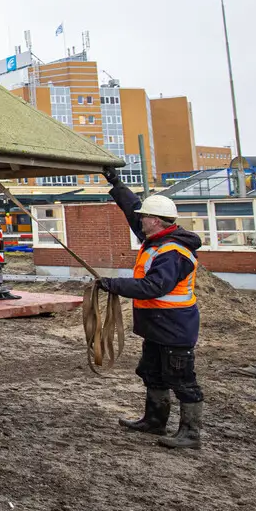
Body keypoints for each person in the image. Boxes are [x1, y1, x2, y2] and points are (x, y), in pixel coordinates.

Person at [95, 168, 206, 450]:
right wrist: (116, 184)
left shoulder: (173, 253)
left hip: (174, 328)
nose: (139, 220)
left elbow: (154, 287)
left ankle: (190, 435)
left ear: (155, 221)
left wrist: (113, 284)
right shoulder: (157, 238)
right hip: (159, 326)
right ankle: (155, 421)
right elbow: (133, 210)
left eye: (144, 217)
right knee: (152, 372)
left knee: (182, 379)